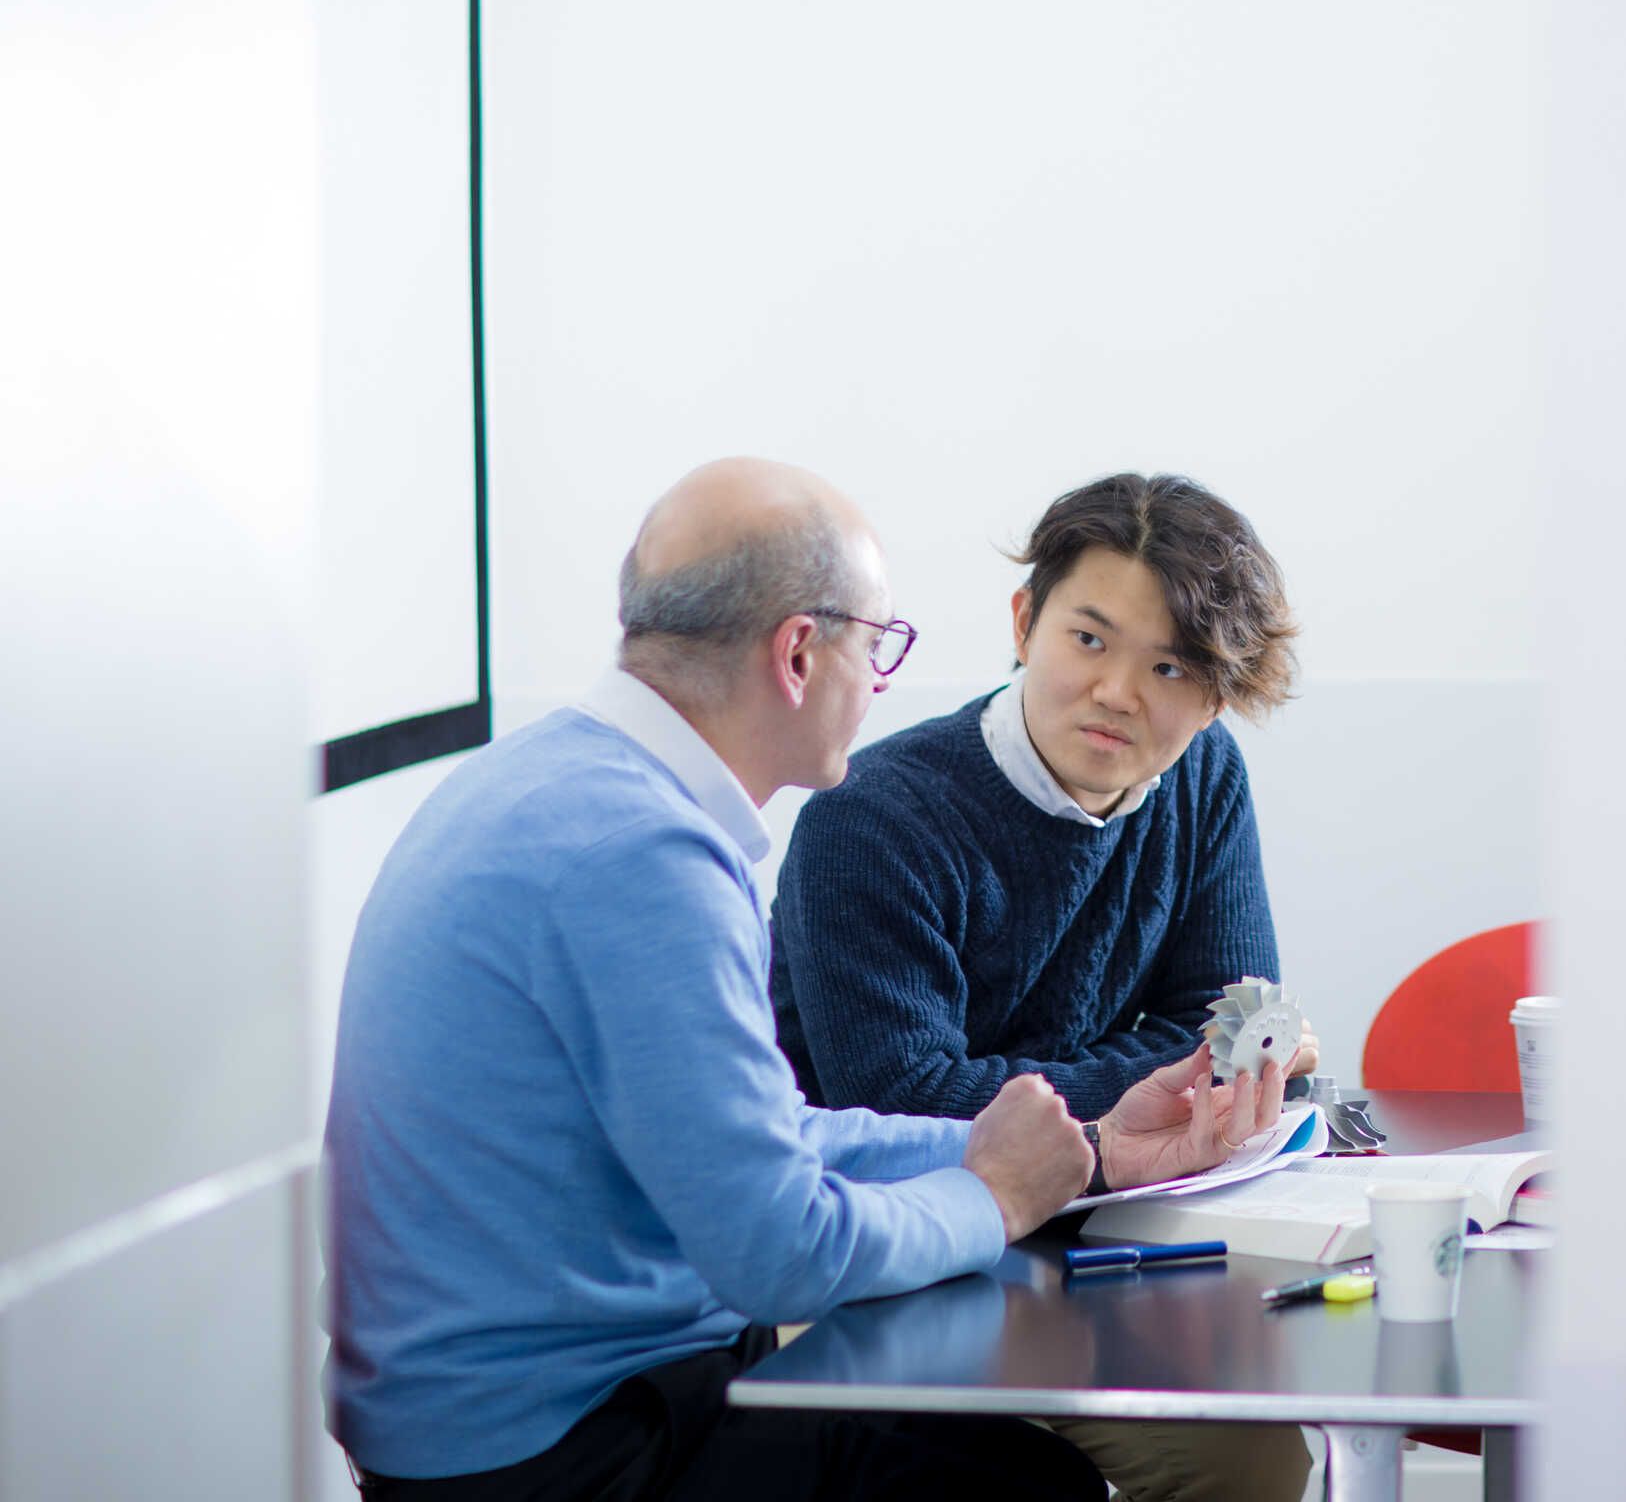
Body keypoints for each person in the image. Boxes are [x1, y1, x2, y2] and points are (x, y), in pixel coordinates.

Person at [321, 459, 1286, 1502]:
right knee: (1026, 1484)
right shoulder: (645, 858)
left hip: (522, 1401)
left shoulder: (560, 785)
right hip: (559, 1444)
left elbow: (773, 1133)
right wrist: (994, 1191)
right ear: (798, 652)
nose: (878, 683)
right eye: (876, 647)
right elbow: (780, 1246)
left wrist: (1085, 1152)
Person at [767, 471, 1314, 1502]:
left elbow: (1231, 1028)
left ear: (1217, 693)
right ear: (1025, 621)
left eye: (1170, 665)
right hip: (889, 1256)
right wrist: (1151, 1087)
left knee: (1255, 1453)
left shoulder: (1203, 778)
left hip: (1094, 1246)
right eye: (1091, 639)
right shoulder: (871, 816)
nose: (1118, 691)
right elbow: (906, 1097)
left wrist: (1153, 1084)